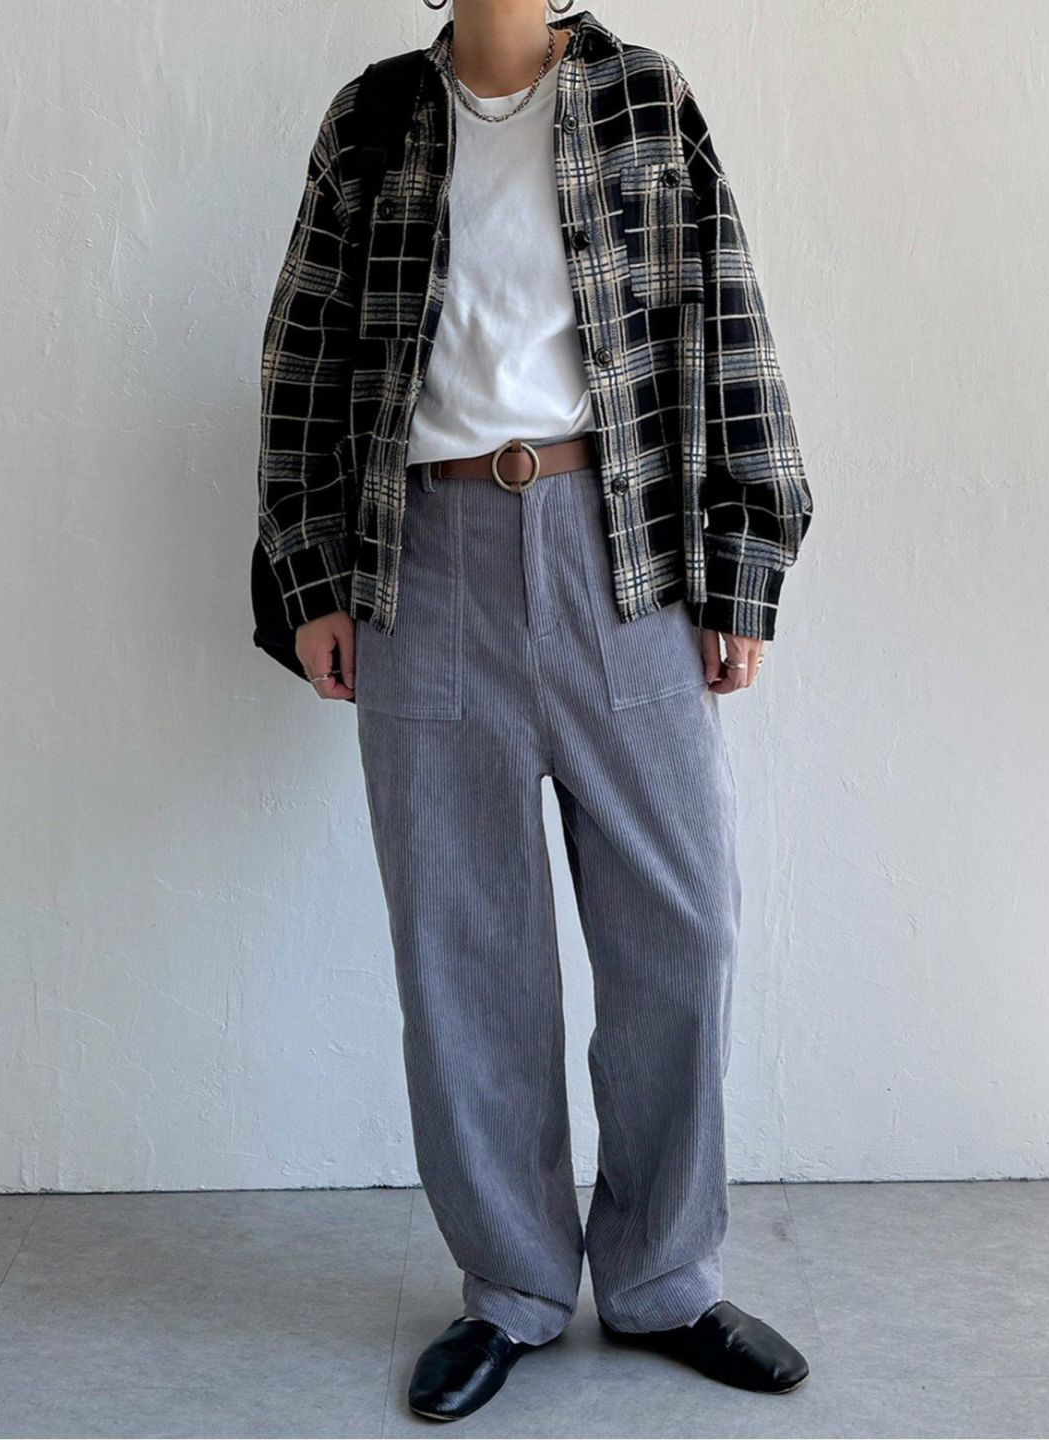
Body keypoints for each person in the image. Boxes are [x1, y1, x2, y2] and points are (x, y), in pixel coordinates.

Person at [257, 0, 814, 1422]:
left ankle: (664, 1276)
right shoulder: (373, 119)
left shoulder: (643, 101)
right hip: (425, 560)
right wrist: (311, 577)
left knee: (682, 928)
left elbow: (725, 321)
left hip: (622, 552)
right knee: (465, 951)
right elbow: (305, 357)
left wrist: (741, 565)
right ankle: (508, 1286)